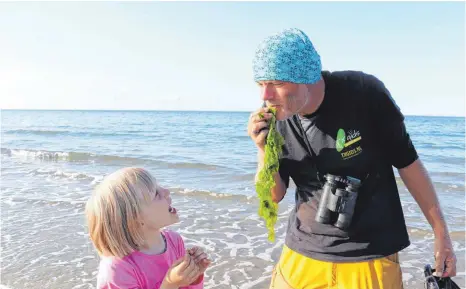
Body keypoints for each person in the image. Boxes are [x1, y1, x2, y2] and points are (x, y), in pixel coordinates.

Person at [247, 28, 457, 289]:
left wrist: (442, 235)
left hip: (369, 255)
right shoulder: (276, 117)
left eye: (277, 84)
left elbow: (409, 164)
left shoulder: (365, 94)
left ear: (307, 77)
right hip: (302, 253)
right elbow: (273, 196)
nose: (265, 96)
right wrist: (262, 149)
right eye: (261, 84)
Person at [85, 167, 211, 289]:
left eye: (159, 186)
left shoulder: (174, 240)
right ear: (135, 218)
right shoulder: (117, 269)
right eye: (156, 193)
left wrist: (194, 276)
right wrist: (170, 284)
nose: (166, 191)